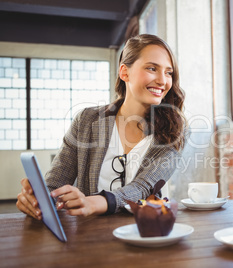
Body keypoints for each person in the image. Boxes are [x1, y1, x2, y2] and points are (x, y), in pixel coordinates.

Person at [16, 34, 186, 219]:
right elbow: (55, 183)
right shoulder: (87, 120)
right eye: (152, 68)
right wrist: (38, 199)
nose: (163, 80)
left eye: (168, 72)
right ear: (124, 72)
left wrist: (96, 202)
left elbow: (144, 186)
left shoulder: (175, 128)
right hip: (91, 234)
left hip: (150, 229)